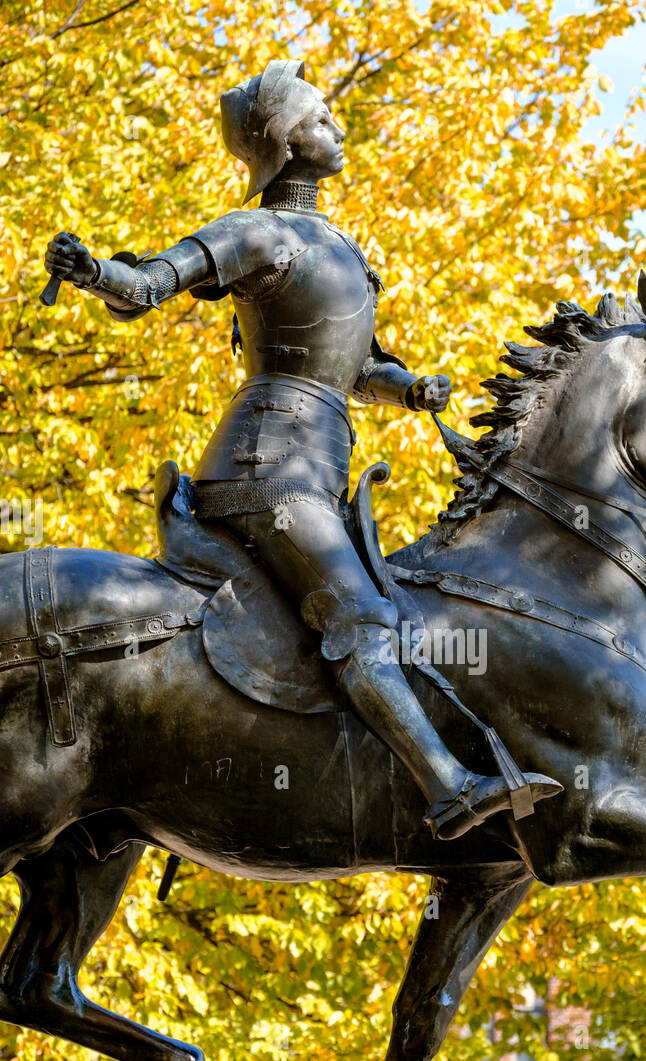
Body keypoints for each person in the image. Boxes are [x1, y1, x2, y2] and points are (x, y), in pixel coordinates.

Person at [43, 58, 560, 840]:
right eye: (318, 118)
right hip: (267, 470)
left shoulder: (338, 245)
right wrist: (96, 272)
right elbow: (150, 285)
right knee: (360, 615)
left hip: (313, 466)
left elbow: (356, 368)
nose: (336, 126)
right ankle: (447, 783)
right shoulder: (258, 231)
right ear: (283, 143)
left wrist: (407, 387)